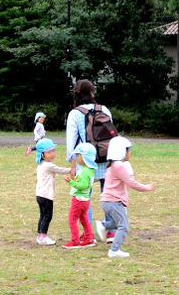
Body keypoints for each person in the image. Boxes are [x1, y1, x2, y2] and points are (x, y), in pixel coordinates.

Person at [65, 79, 115, 242]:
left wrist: (72, 164)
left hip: (85, 163)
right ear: (93, 92)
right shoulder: (104, 109)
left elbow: (71, 142)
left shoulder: (75, 113)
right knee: (109, 196)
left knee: (83, 197)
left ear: (76, 94)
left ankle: (89, 234)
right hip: (106, 159)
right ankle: (111, 232)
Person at [95, 136, 155, 258]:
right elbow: (131, 183)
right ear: (121, 151)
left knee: (119, 223)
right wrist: (147, 188)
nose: (129, 153)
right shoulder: (119, 166)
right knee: (124, 226)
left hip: (108, 201)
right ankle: (114, 250)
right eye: (128, 150)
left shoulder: (113, 165)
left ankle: (102, 226)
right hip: (113, 201)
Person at [34, 138, 70, 245]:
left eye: (53, 151)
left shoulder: (41, 164)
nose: (52, 154)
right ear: (42, 154)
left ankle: (40, 235)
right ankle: (42, 237)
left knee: (43, 215)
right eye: (49, 152)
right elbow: (61, 170)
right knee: (47, 216)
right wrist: (73, 169)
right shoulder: (48, 165)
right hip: (46, 196)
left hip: (40, 194)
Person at [62, 143, 97, 249]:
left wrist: (71, 182)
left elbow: (83, 186)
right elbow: (84, 183)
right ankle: (89, 238)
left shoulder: (85, 171)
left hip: (78, 200)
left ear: (84, 157)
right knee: (84, 219)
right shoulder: (89, 169)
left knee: (72, 220)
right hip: (85, 200)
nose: (76, 158)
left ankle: (75, 241)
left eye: (78, 155)